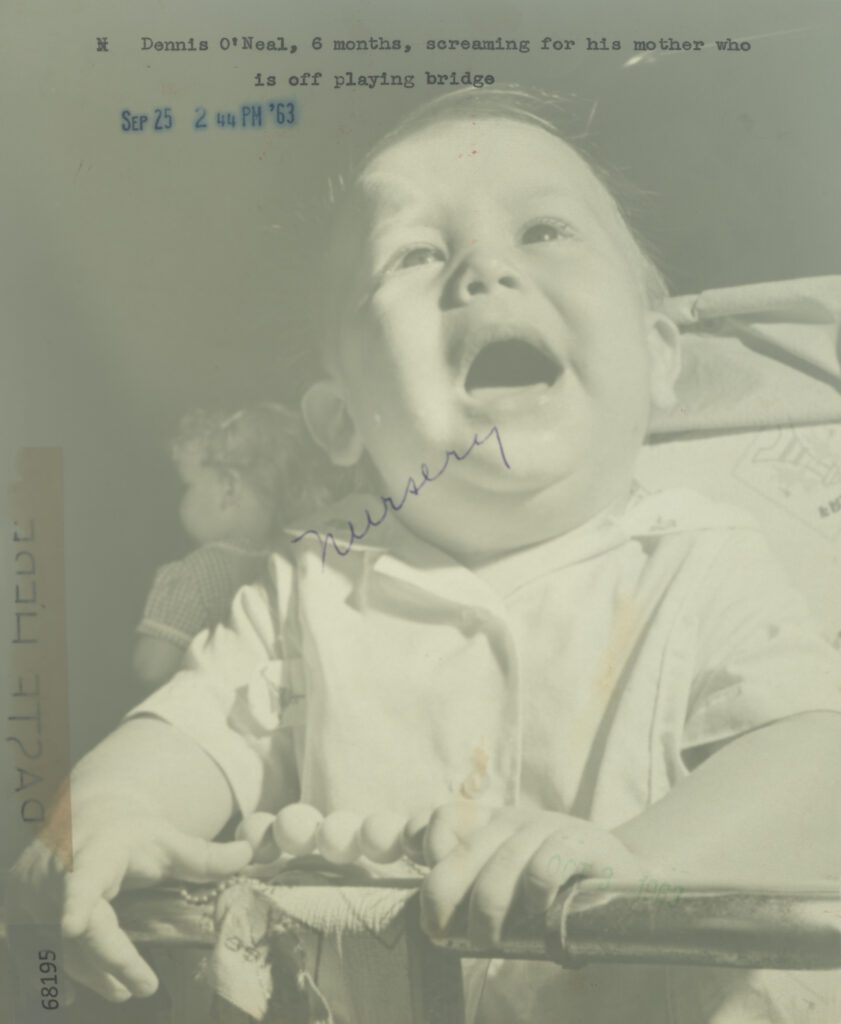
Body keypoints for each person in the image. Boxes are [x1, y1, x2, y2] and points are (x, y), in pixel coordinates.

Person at [11, 88, 841, 1022]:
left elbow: (815, 761)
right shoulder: (306, 588)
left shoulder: (696, 561)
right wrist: (103, 815)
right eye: (414, 254)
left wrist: (642, 868)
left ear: (658, 359)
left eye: (545, 231)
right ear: (337, 422)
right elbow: (182, 737)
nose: (484, 270)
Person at [133, 404, 330, 689]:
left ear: (228, 490)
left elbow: (151, 668)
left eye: (187, 486)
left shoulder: (195, 573)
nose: (181, 500)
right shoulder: (295, 561)